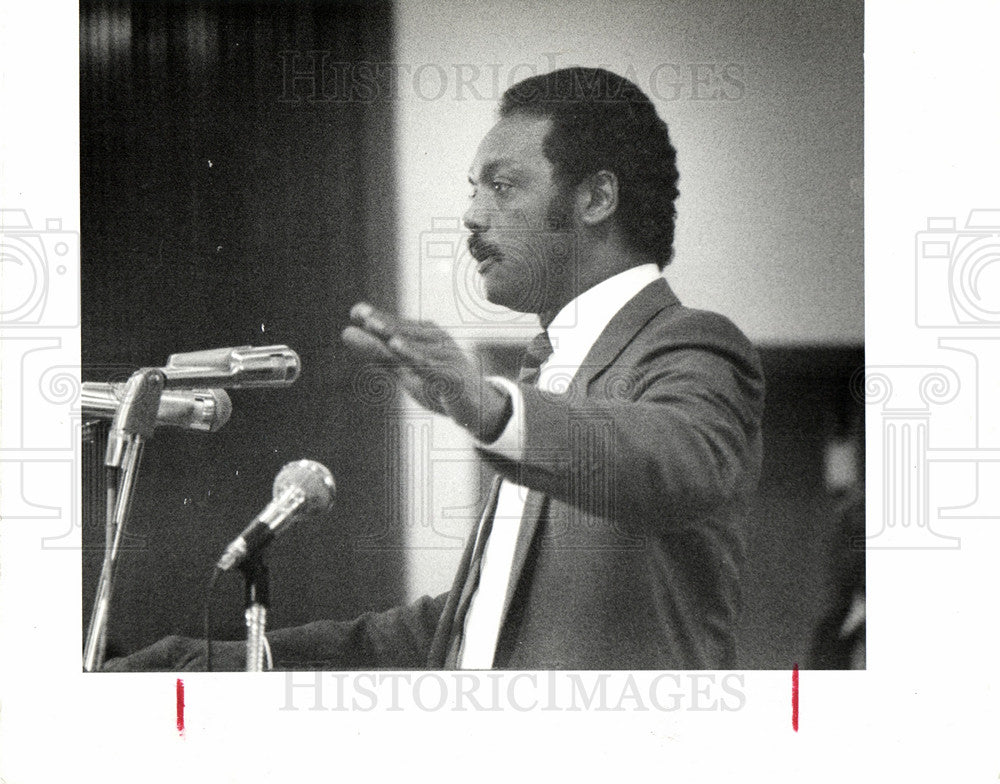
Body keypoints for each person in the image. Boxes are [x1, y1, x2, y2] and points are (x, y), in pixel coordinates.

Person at [104, 67, 764, 672]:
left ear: (596, 198)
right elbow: (464, 632)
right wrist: (222, 661)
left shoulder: (691, 346)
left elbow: (674, 463)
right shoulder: (549, 374)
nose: (472, 215)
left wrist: (488, 407)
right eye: (474, 189)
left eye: (502, 186)